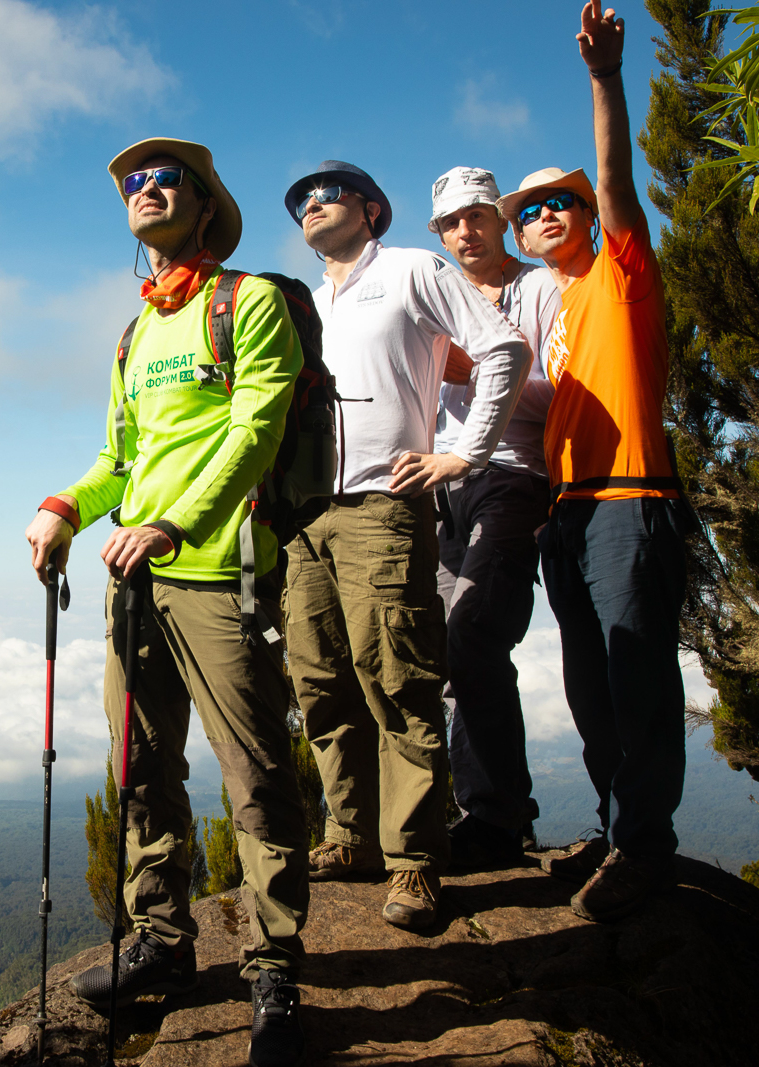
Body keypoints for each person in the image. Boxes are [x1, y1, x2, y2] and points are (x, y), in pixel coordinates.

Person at [24, 137, 310, 1067]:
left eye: (164, 178)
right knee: (141, 765)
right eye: (131, 184)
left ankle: (273, 965)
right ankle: (163, 939)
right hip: (133, 577)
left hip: (216, 572)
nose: (144, 190)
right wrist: (65, 507)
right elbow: (119, 461)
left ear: (204, 203)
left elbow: (258, 426)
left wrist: (176, 524)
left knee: (255, 767)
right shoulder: (135, 332)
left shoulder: (249, 301)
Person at [280, 158, 531, 929]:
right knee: (321, 682)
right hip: (307, 515)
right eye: (300, 203)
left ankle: (416, 860)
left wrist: (467, 453)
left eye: (328, 194)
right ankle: (350, 834)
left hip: (385, 507)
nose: (312, 206)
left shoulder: (415, 269)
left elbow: (505, 349)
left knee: (400, 679)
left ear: (372, 209)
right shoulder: (310, 303)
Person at [498, 1, 694, 921]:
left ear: (584, 216)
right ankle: (619, 832)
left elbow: (616, 182)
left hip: (629, 497)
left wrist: (605, 80)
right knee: (587, 683)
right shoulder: (548, 309)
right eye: (528, 210)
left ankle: (646, 846)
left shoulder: (622, 275)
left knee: (634, 673)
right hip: (566, 511)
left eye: (556, 203)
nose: (541, 214)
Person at [427, 166, 563, 867]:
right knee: (446, 651)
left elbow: (557, 392)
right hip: (440, 486)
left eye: (476, 216)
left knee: (474, 628)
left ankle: (498, 820)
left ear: (500, 221)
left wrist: (474, 370)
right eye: (451, 223)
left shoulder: (537, 289)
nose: (465, 232)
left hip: (513, 476)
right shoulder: (440, 293)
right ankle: (478, 810)